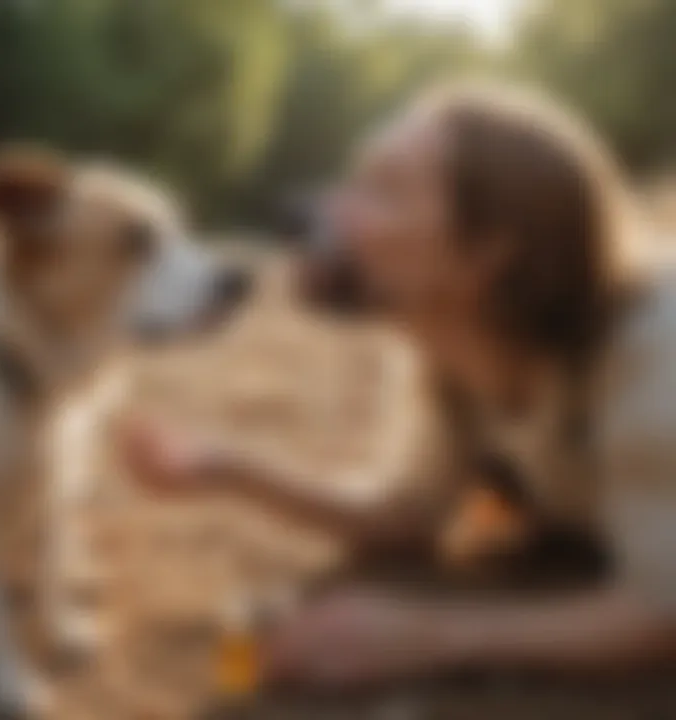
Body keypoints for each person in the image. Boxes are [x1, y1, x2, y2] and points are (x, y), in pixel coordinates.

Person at [120, 83, 676, 686]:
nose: (322, 210)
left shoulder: (655, 356)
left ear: (488, 254)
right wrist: (224, 468)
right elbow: (411, 516)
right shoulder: (454, 356)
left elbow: (663, 612)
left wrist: (430, 636)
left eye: (381, 190)